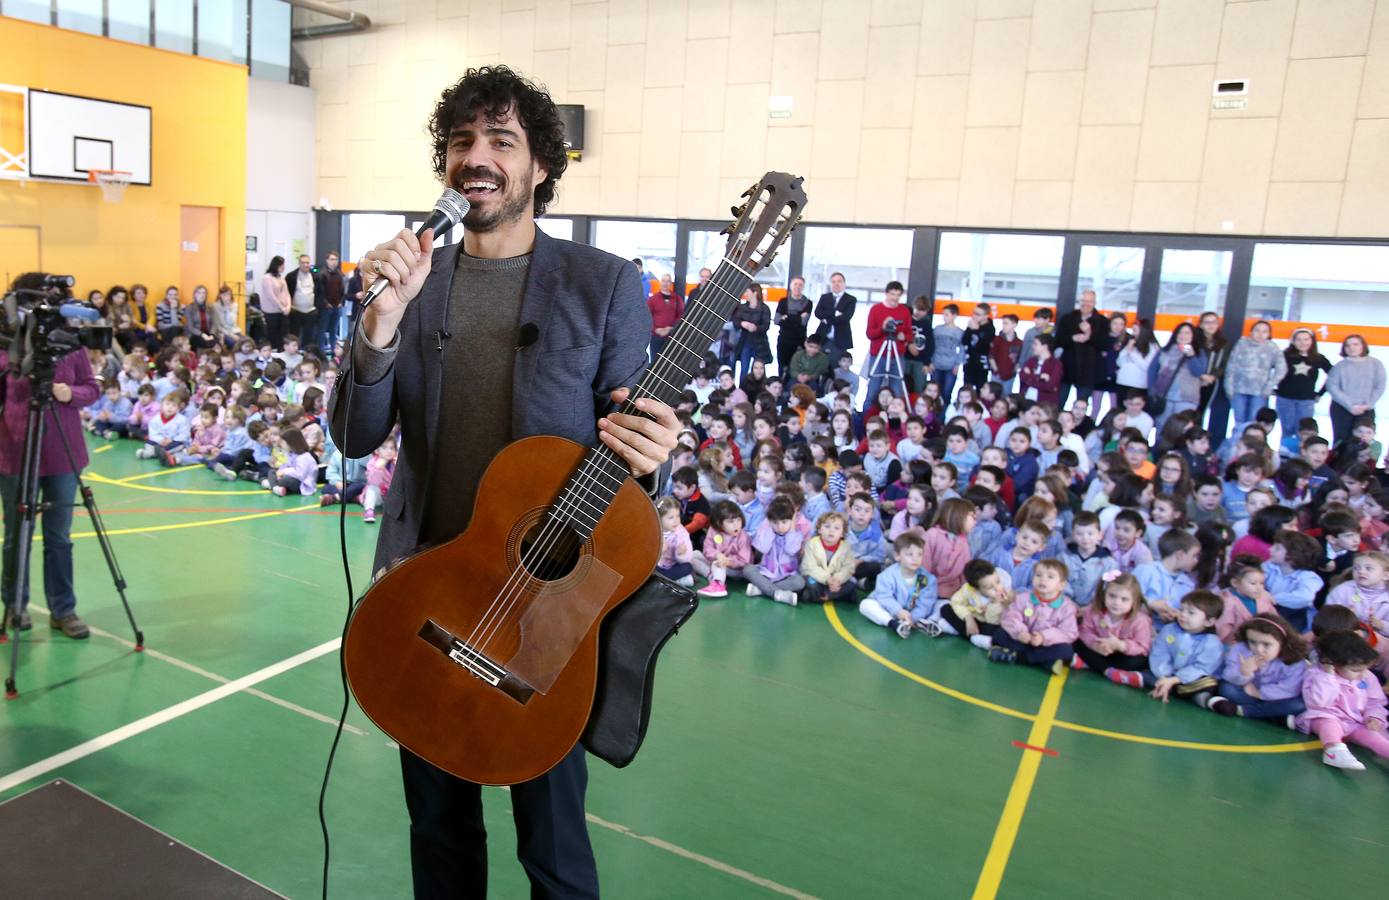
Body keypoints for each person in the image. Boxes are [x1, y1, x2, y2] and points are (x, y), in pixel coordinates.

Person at [327, 66, 679, 900]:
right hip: (427, 601)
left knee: (555, 850)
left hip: (545, 619)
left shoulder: (603, 284)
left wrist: (655, 456)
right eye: (459, 141)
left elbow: (626, 460)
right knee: (438, 834)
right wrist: (378, 329)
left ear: (542, 167)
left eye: (500, 141)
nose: (474, 157)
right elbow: (353, 434)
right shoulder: (410, 281)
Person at [0, 273, 102, 639]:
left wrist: (69, 393)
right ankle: (14, 605)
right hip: (15, 450)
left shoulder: (70, 346)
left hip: (62, 452)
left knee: (59, 536)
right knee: (17, 534)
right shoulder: (6, 344)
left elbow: (92, 388)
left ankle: (64, 609)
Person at [1295, 631, 1388, 770]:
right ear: (1333, 663)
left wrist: (1373, 717)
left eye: (1365, 669)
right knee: (1330, 725)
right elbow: (1320, 703)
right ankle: (1333, 750)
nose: (1363, 674)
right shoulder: (1318, 675)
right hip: (1326, 716)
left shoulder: (1367, 676)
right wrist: (1328, 676)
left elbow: (1375, 702)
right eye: (1356, 670)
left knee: (1375, 738)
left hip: (1356, 722)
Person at [1205, 613, 1308, 721]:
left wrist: (1258, 693)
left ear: (1282, 643)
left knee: (1299, 705)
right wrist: (1244, 672)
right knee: (1227, 689)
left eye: (1266, 644)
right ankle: (1275, 716)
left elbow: (1289, 689)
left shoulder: (1294, 661)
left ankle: (1243, 710)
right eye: (1252, 642)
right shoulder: (1240, 649)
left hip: (1276, 698)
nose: (1258, 649)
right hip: (1247, 695)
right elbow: (1228, 675)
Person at [1224, 320, 1287, 430]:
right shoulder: (1242, 344)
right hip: (1239, 389)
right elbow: (1231, 365)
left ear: (1269, 334)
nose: (1260, 334)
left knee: (1255, 423)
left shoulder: (1272, 347)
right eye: (1257, 330)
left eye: (1264, 331)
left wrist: (1270, 385)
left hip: (1260, 392)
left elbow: (1282, 368)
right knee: (1239, 423)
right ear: (1251, 332)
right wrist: (1229, 385)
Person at [1054, 289, 1112, 408]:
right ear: (1079, 301)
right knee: (1058, 404)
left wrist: (1089, 335)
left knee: (1081, 406)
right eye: (1084, 301)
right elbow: (1057, 341)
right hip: (1067, 368)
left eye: (1090, 301)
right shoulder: (1067, 319)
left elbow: (1105, 345)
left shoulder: (1103, 322)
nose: (1086, 304)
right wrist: (1072, 338)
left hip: (1089, 370)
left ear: (1095, 303)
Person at [1146, 322, 1207, 434]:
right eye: (1180, 333)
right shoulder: (1165, 350)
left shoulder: (1199, 352)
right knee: (1162, 429)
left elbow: (1198, 372)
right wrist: (1151, 390)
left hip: (1187, 399)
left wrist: (1191, 355)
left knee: (1182, 431)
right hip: (1164, 397)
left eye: (1187, 333)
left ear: (1193, 336)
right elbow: (1152, 371)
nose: (1183, 336)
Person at [1325, 334, 1385, 446]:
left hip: (1366, 409)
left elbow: (1380, 385)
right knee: (1341, 441)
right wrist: (1350, 405)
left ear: (1363, 346)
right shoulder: (1339, 366)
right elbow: (1332, 386)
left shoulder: (1376, 364)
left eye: (1355, 344)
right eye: (1348, 345)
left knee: (1363, 442)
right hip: (1341, 409)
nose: (1351, 347)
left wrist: (1368, 404)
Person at [1274, 327, 1331, 444]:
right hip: (1285, 399)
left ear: (1312, 341)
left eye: (1306, 339)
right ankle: (1285, 456)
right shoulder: (1284, 356)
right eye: (1298, 340)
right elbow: (1268, 369)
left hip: (1306, 401)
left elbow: (1333, 375)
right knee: (1287, 430)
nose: (1302, 343)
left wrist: (1321, 393)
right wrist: (1271, 387)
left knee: (1305, 432)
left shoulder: (1318, 358)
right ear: (1293, 341)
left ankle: (1302, 458)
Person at [731, 284, 771, 383]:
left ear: (755, 293)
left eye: (747, 292)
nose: (745, 294)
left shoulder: (764, 308)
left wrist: (756, 328)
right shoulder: (742, 307)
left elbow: (766, 326)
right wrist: (742, 323)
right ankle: (742, 388)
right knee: (744, 369)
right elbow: (735, 322)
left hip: (759, 343)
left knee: (759, 369)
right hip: (745, 341)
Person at [812, 271, 856, 362]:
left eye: (839, 281)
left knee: (836, 367)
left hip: (840, 339)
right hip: (823, 338)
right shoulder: (825, 297)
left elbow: (845, 318)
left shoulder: (851, 299)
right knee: (819, 364)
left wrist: (827, 319)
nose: (836, 284)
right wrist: (835, 312)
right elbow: (818, 313)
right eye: (833, 282)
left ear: (844, 284)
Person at [775, 275, 812, 376]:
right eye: (795, 284)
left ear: (803, 287)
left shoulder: (808, 303)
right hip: (783, 341)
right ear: (791, 285)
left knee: (797, 370)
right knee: (782, 368)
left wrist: (786, 317)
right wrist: (798, 317)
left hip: (799, 341)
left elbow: (804, 322)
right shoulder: (783, 302)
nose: (797, 286)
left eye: (800, 285)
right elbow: (777, 320)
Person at [284, 254, 323, 351]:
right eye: (303, 263)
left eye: (307, 263)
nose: (306, 265)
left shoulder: (316, 276)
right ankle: (293, 352)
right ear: (299, 263)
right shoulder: (291, 276)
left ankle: (306, 352)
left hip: (310, 311)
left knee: (309, 336)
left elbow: (320, 293)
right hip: (295, 310)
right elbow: (286, 293)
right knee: (294, 335)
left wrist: (317, 308)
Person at [646, 273, 684, 362]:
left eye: (668, 281)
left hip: (671, 337)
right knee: (655, 363)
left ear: (671, 283)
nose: (665, 283)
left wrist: (671, 328)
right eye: (663, 281)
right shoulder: (652, 299)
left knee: (670, 362)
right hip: (656, 337)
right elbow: (647, 318)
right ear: (660, 282)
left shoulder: (677, 299)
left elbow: (681, 315)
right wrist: (655, 329)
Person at [318, 250, 347, 352]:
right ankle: (321, 353)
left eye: (336, 259)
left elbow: (343, 291)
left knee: (333, 331)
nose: (334, 262)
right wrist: (326, 304)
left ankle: (335, 352)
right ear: (327, 260)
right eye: (331, 259)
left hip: (337, 307)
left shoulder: (340, 274)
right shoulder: (322, 274)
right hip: (326, 308)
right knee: (322, 330)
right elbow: (320, 292)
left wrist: (340, 303)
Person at [259, 256, 290, 350]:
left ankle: (281, 352)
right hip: (272, 312)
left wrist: (288, 306)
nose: (283, 267)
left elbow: (286, 293)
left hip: (283, 312)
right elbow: (271, 296)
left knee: (282, 336)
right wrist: (281, 307)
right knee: (273, 335)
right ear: (276, 265)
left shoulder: (281, 278)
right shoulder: (267, 278)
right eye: (282, 265)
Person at [182, 284, 218, 350]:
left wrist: (212, 334)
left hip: (208, 333)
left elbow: (214, 323)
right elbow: (191, 327)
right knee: (209, 343)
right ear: (195, 294)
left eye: (204, 293)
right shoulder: (190, 308)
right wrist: (202, 334)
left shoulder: (211, 307)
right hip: (195, 334)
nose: (202, 295)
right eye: (199, 292)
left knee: (215, 343)